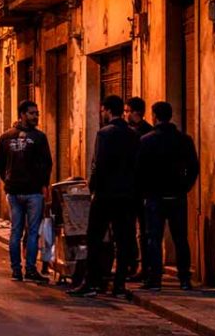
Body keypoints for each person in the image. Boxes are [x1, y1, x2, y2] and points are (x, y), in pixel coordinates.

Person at [69, 96, 140, 297]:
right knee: (124, 239)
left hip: (105, 195)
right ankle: (119, 284)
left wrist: (91, 189)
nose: (101, 114)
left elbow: (98, 165)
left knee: (94, 238)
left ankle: (91, 282)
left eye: (102, 111)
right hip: (126, 195)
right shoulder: (133, 135)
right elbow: (137, 166)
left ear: (108, 110)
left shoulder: (104, 134)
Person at [137, 102, 200, 291]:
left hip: (155, 197)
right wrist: (185, 187)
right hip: (176, 196)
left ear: (154, 116)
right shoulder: (184, 140)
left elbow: (139, 170)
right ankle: (184, 279)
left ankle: (155, 279)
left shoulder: (147, 141)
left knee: (153, 238)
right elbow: (194, 167)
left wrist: (145, 191)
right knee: (180, 237)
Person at [0, 100, 53, 283]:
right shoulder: (38, 137)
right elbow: (47, 164)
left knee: (16, 231)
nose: (36, 117)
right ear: (22, 114)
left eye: (37, 113)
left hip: (14, 191)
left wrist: (8, 181)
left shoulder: (6, 137)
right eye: (32, 113)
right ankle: (28, 269)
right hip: (31, 192)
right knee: (31, 230)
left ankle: (16, 270)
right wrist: (43, 184)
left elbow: (0, 165)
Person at [125, 96, 153, 282]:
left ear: (136, 112)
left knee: (143, 230)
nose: (125, 114)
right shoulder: (138, 131)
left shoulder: (144, 134)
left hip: (140, 189)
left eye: (127, 111)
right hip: (134, 188)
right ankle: (134, 264)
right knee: (131, 229)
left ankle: (143, 266)